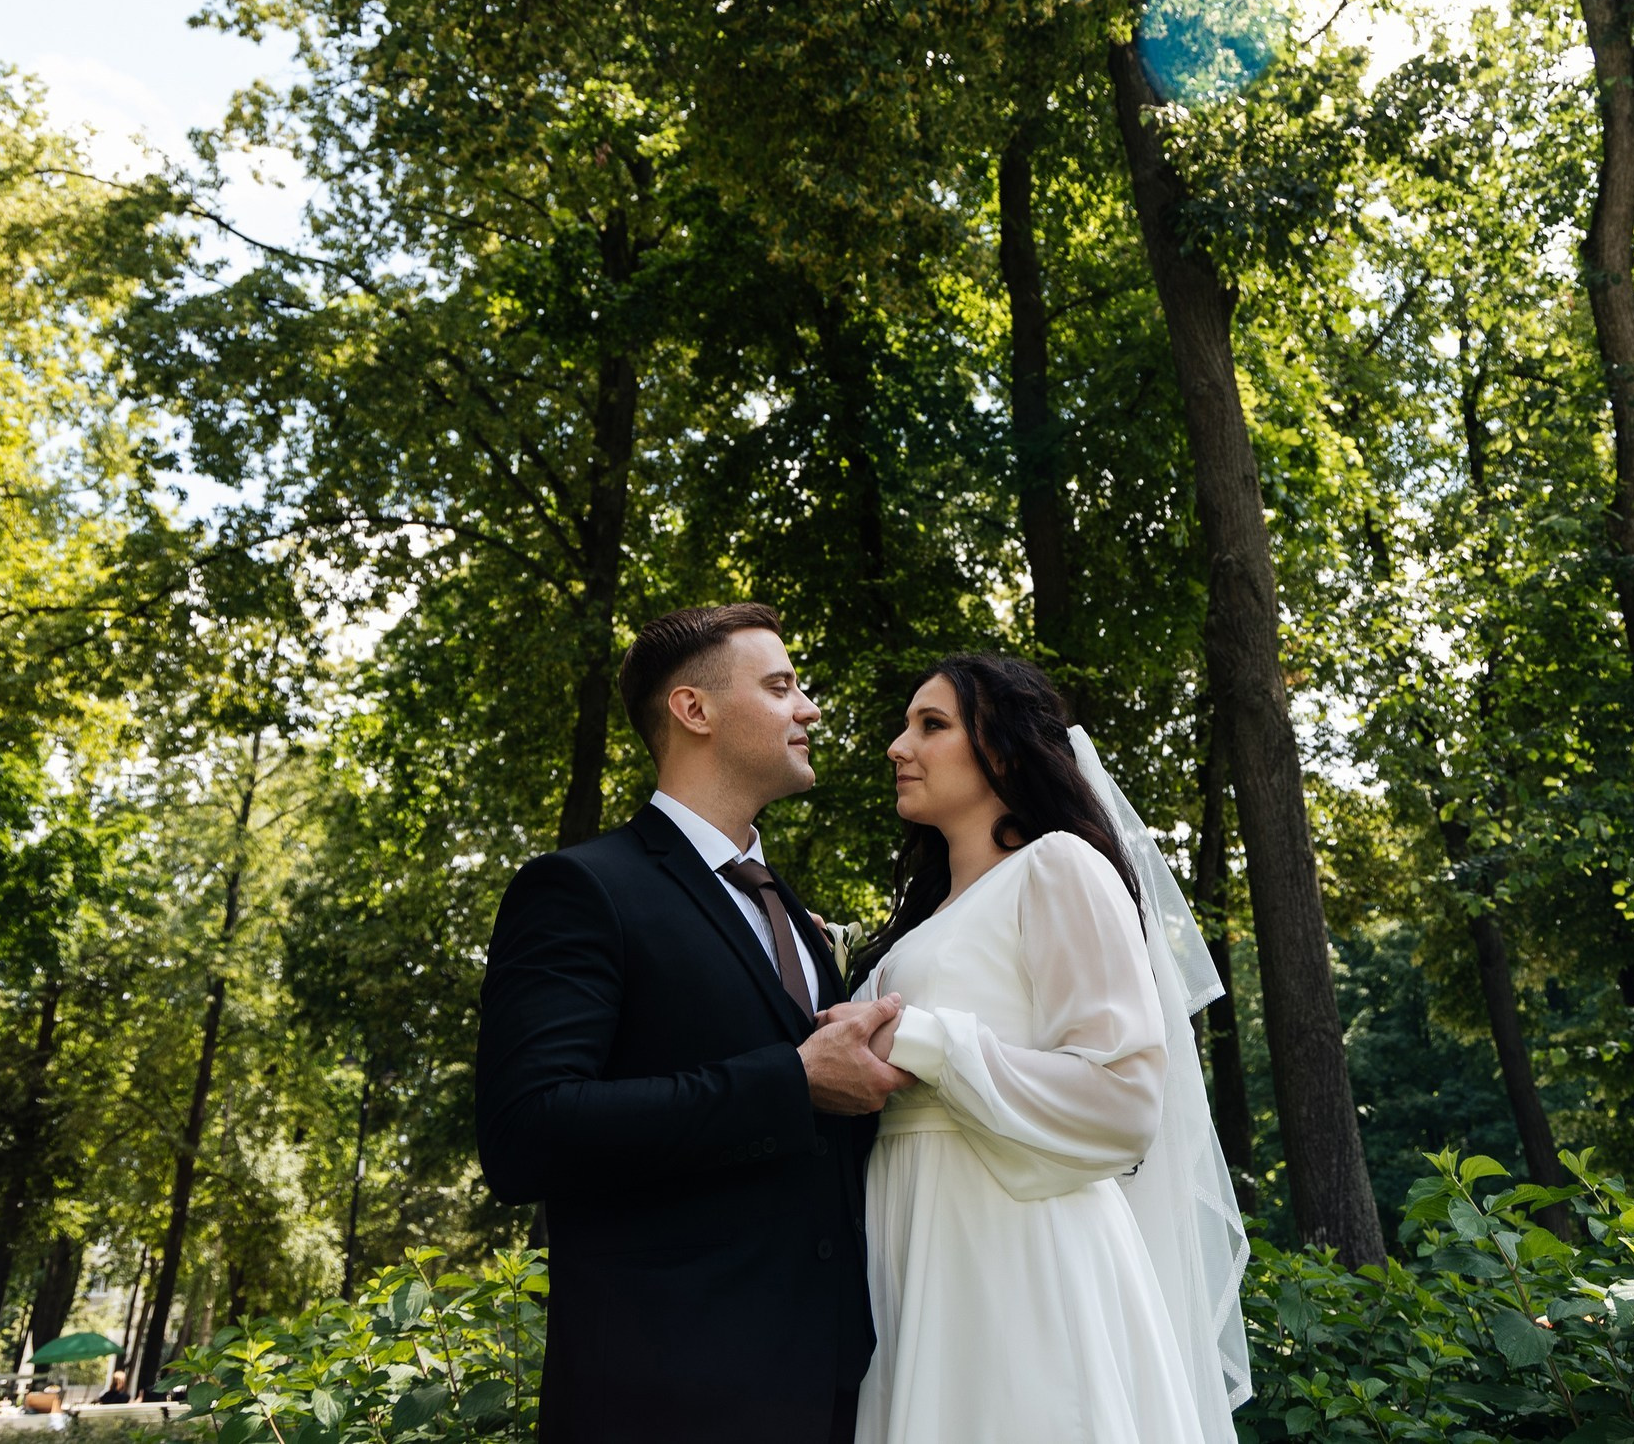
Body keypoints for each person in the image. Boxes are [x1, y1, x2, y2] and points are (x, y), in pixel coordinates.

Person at [475, 603, 911, 1443]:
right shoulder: (582, 889)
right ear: (694, 709)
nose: (810, 708)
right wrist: (792, 1080)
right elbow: (525, 1130)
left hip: (830, 1390)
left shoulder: (793, 917)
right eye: (780, 686)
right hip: (662, 1396)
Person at [847, 654, 1250, 1444]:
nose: (899, 746)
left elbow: (1124, 1100)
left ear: (1001, 751)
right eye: (906, 725)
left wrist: (930, 1041)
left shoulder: (1058, 867)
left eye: (932, 724)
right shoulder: (922, 926)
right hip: (911, 1250)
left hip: (1016, 1257)